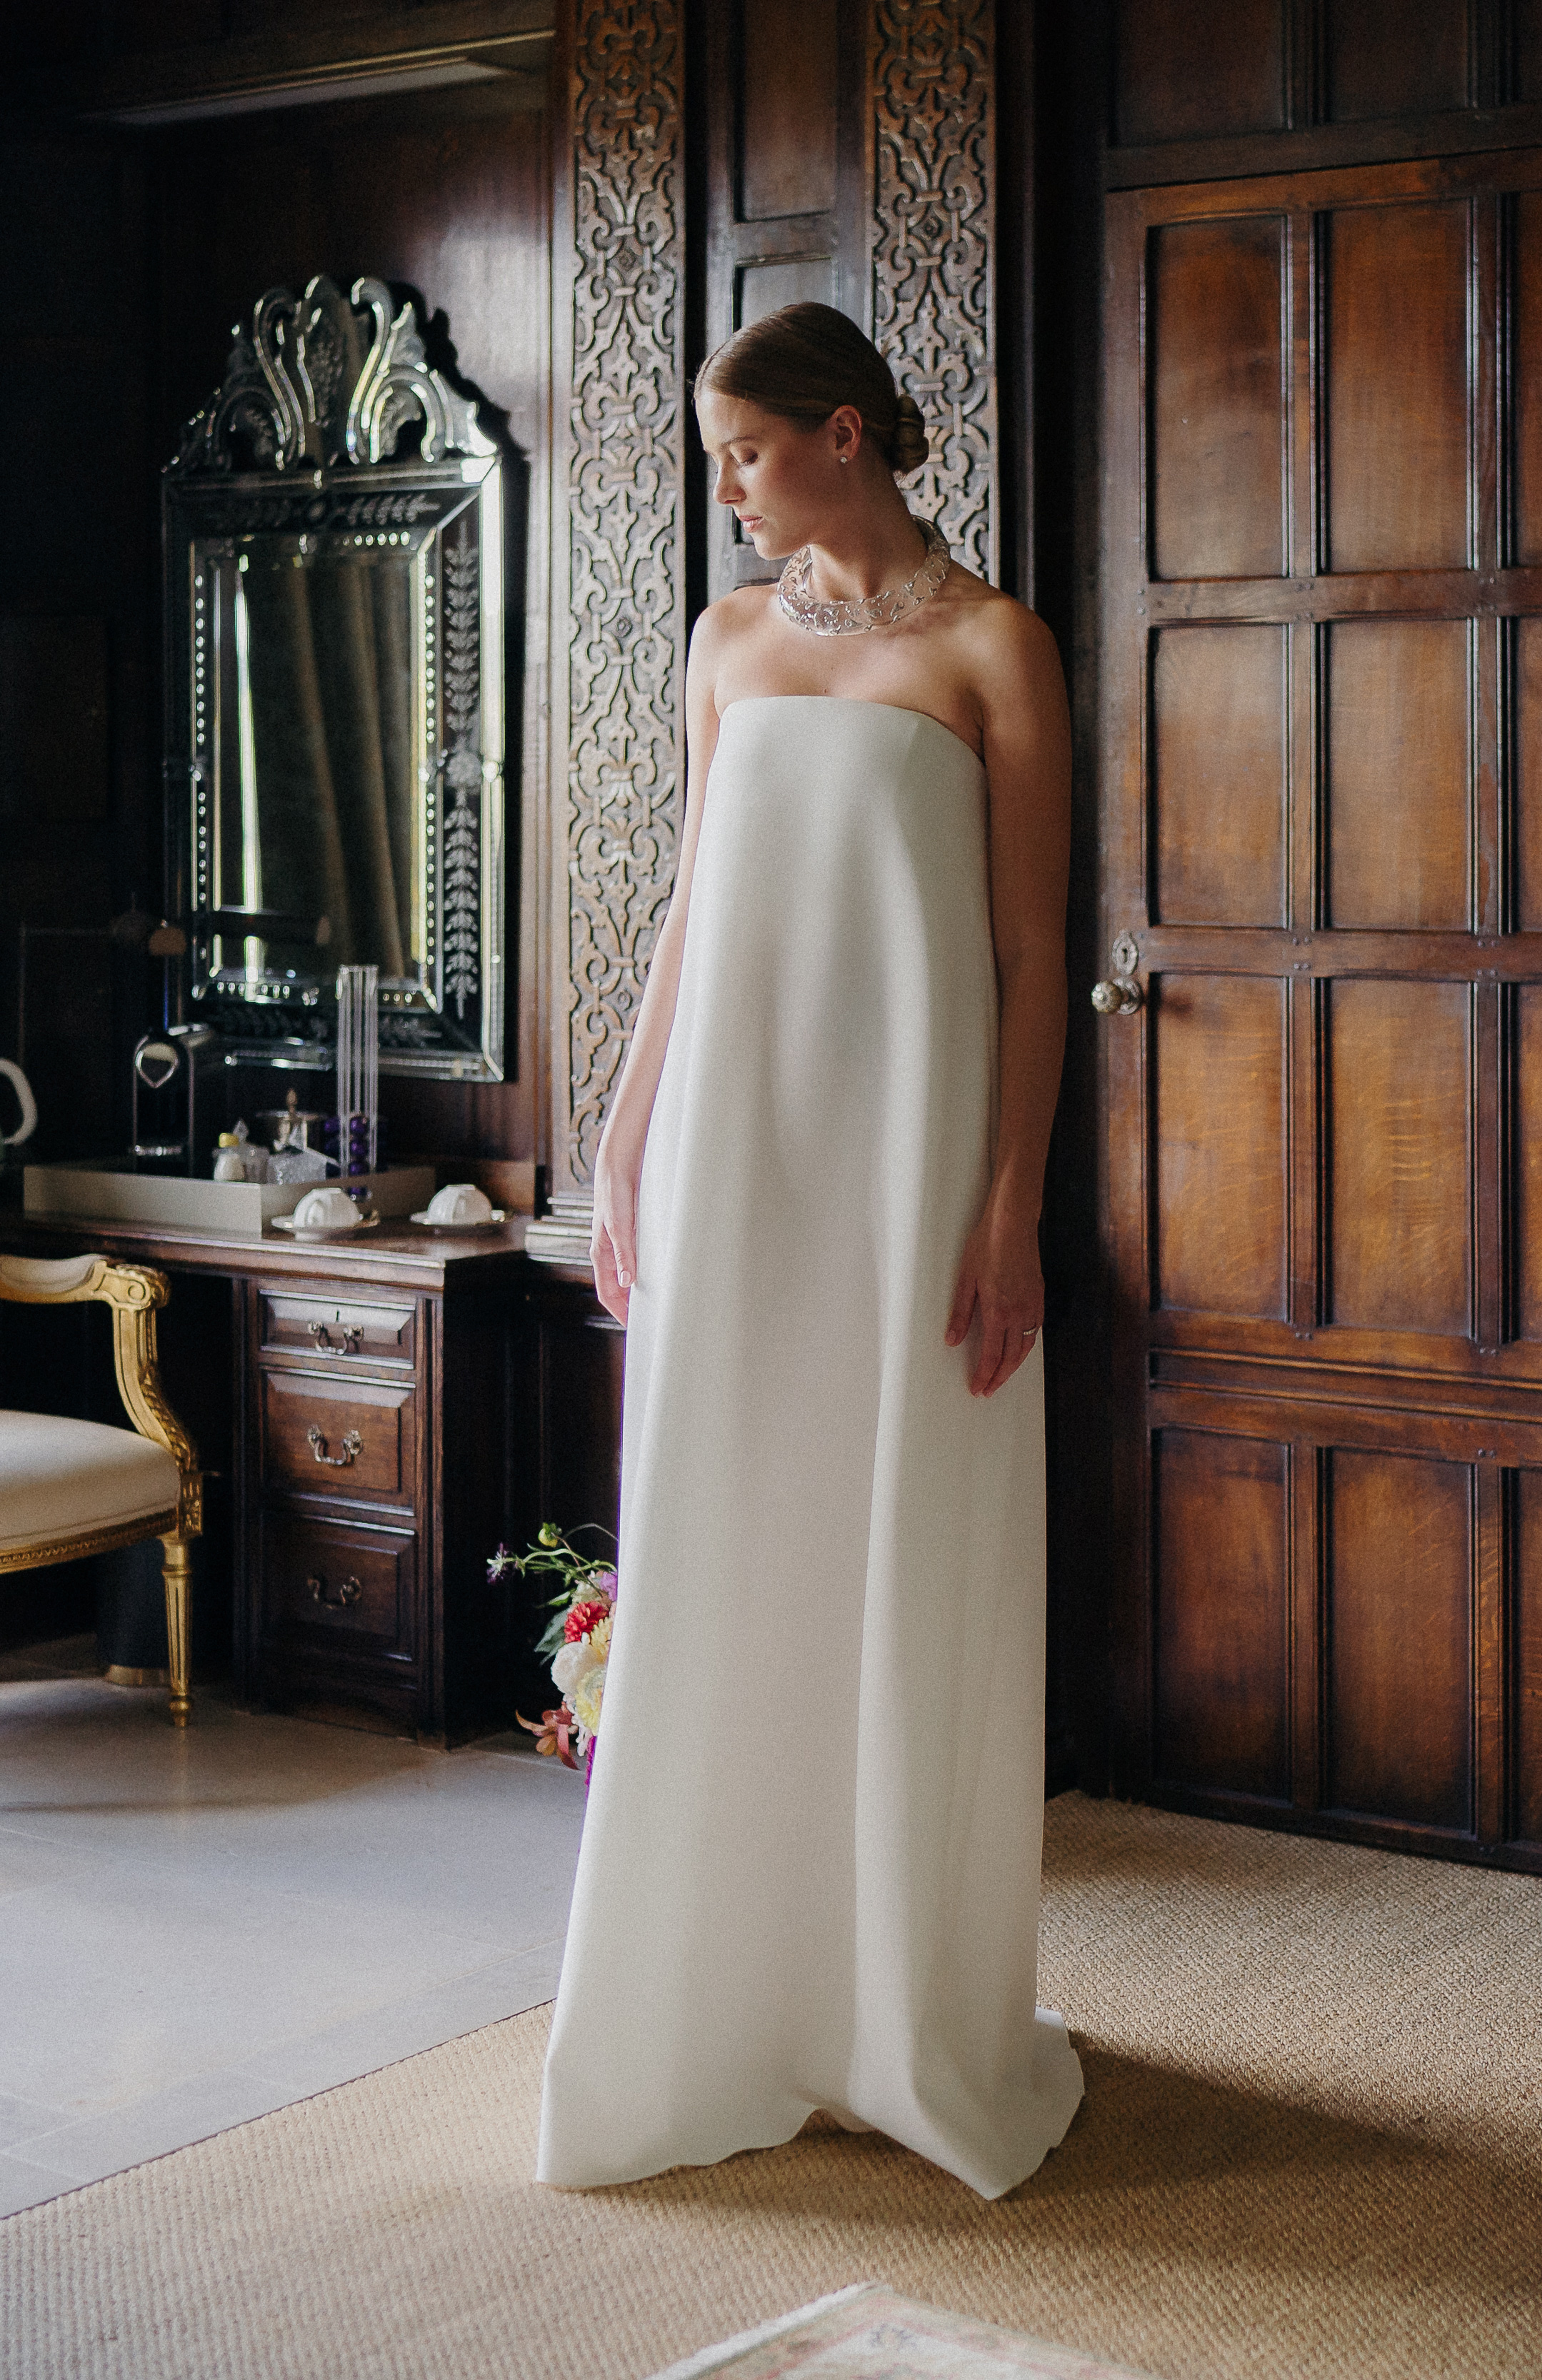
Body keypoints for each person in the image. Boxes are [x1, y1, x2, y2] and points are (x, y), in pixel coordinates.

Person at [534, 301, 1085, 2198]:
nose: (730, 492)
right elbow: (696, 907)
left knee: (899, 1539)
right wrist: (621, 1131)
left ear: (844, 435)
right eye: (720, 460)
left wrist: (1008, 1204)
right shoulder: (726, 642)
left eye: (747, 455)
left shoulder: (997, 649)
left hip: (912, 1168)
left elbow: (1029, 958)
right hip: (732, 1157)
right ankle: (723, 1996)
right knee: (730, 1526)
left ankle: (896, 2010)